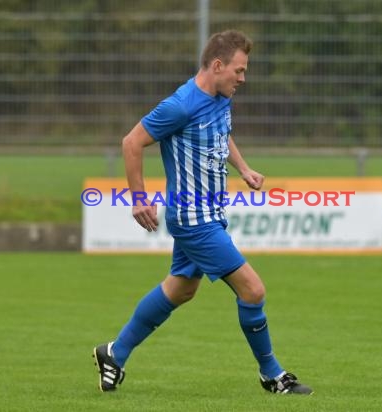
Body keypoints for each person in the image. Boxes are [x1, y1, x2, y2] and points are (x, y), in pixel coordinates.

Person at [92, 29, 312, 395]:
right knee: (253, 291)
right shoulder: (180, 105)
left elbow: (221, 134)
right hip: (192, 220)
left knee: (180, 290)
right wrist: (139, 198)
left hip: (212, 215)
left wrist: (242, 168)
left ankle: (115, 352)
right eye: (239, 71)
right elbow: (131, 142)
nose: (243, 78)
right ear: (217, 65)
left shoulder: (220, 98)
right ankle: (272, 375)